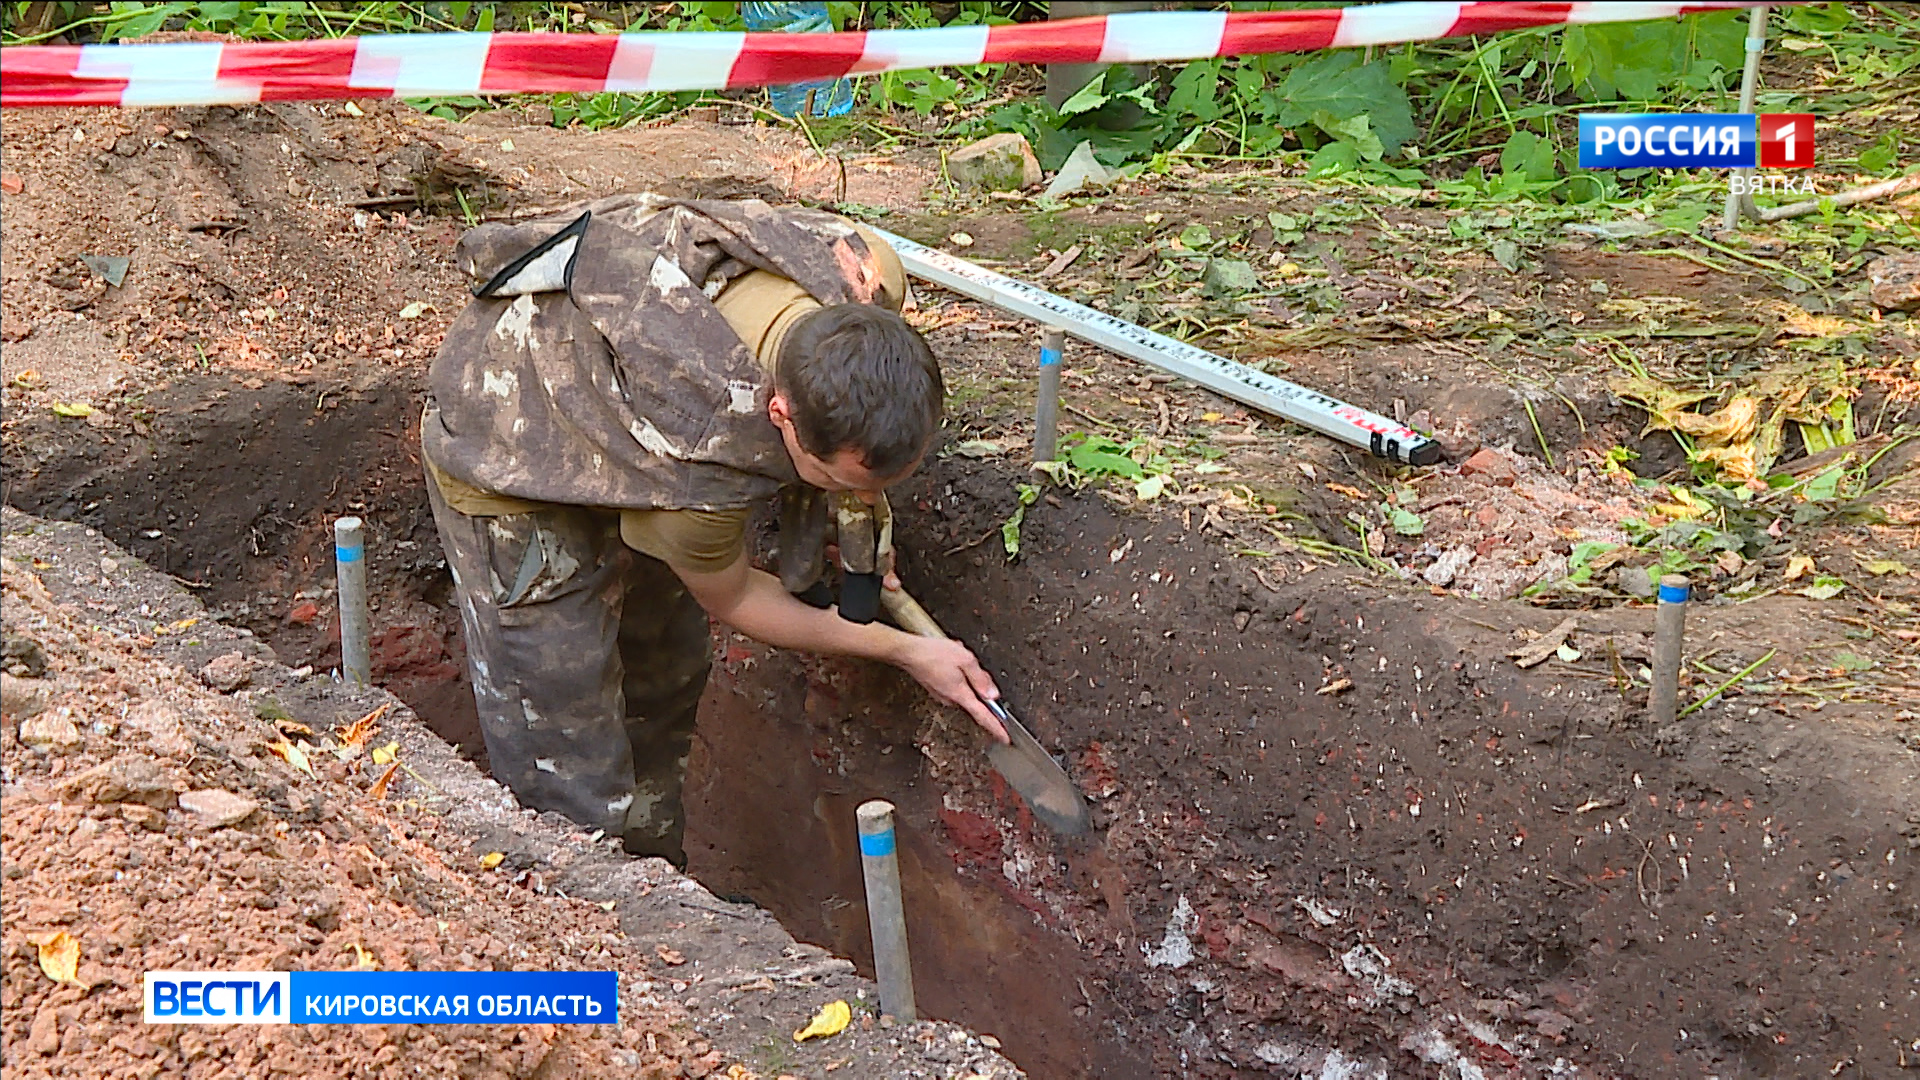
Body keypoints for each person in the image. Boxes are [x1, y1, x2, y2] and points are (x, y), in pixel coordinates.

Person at [418, 193, 1007, 866]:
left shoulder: (864, 275)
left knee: (664, 675)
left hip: (635, 403)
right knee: (566, 761)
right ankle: (584, 900)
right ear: (781, 416)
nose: (863, 495)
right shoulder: (702, 456)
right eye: (839, 478)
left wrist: (859, 509)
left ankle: (659, 887)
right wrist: (903, 651)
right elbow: (737, 596)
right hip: (511, 440)